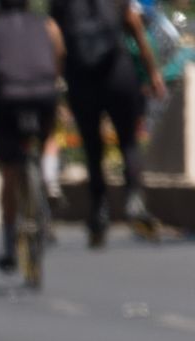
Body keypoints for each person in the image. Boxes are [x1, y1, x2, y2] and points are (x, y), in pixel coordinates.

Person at [49, 0, 168, 243]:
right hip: (118, 73)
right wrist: (153, 71)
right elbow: (135, 27)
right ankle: (134, 200)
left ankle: (99, 213)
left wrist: (57, 79)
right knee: (129, 142)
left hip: (81, 78)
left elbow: (57, 42)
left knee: (93, 149)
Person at [0, 0, 65, 273]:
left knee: (9, 172)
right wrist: (52, 83)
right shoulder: (47, 24)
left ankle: (8, 245)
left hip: (8, 98)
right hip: (43, 95)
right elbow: (59, 54)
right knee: (48, 136)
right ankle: (48, 178)